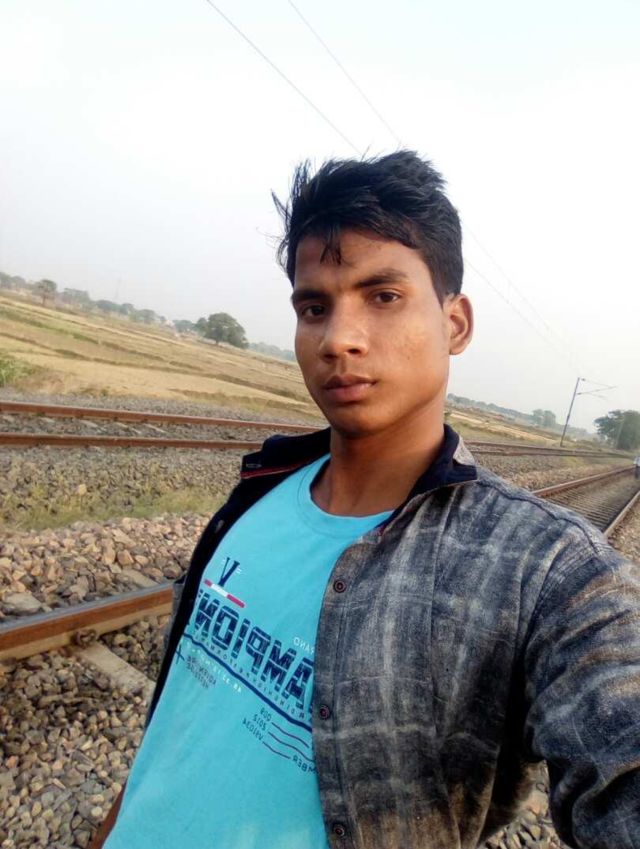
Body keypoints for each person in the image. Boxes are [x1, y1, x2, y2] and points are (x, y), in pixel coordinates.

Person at [94, 152, 640, 849]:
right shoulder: (260, 490)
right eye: (314, 307)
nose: (338, 340)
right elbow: (186, 715)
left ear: (456, 323)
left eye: (382, 296)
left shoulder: (545, 573)